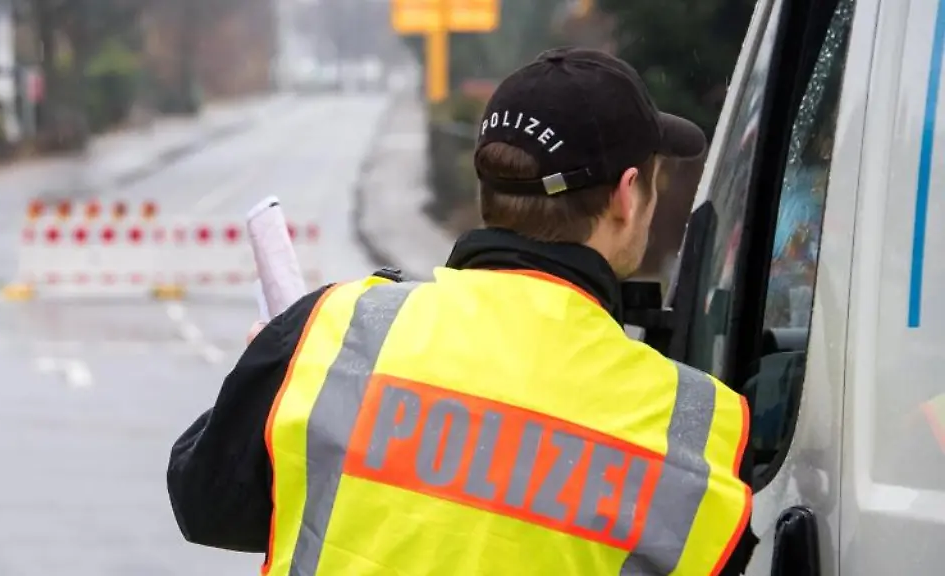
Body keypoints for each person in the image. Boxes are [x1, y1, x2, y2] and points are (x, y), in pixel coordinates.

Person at [168, 47, 756, 575]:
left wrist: (269, 374)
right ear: (627, 195)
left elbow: (205, 504)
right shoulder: (691, 422)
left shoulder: (335, 329)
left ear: (487, 188)